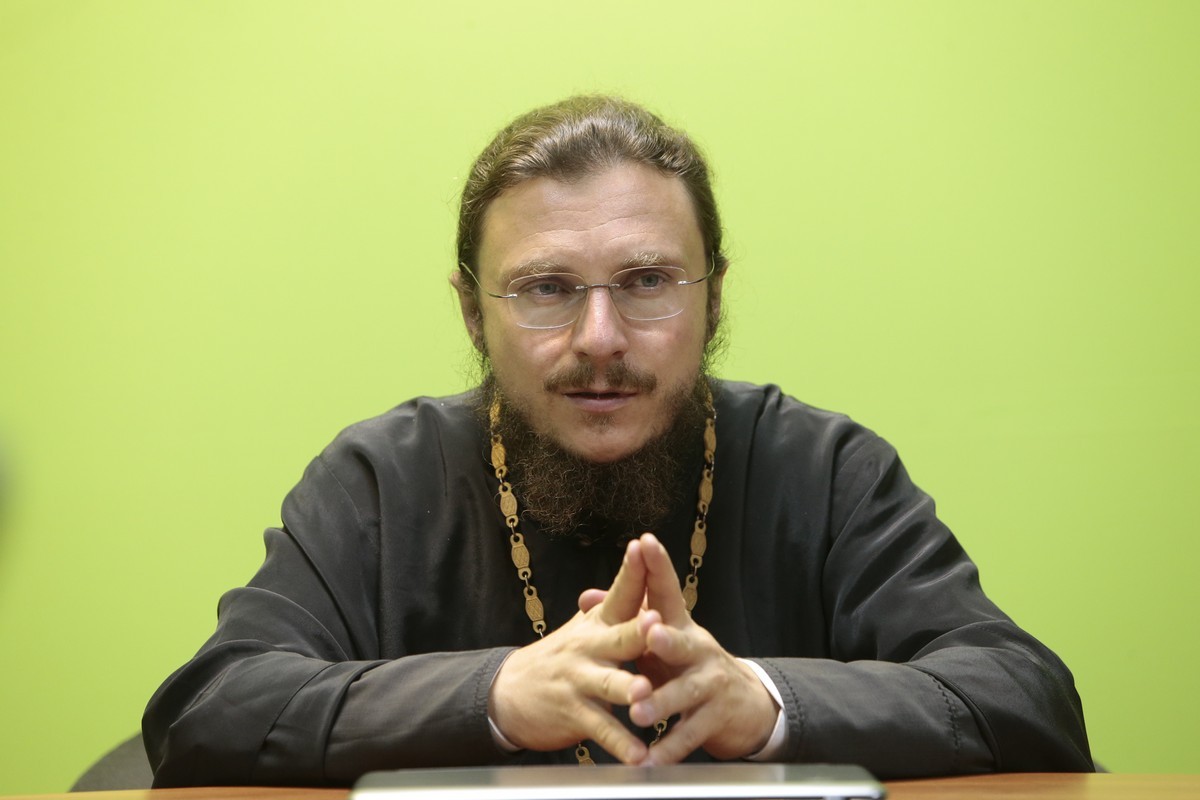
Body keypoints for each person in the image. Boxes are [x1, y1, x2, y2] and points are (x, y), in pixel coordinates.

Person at [142, 95, 1093, 786]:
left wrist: (763, 700)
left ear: (713, 298)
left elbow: (1023, 695)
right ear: (472, 312)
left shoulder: (827, 470)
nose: (599, 338)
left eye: (646, 282)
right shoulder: (379, 481)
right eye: (546, 288)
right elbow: (210, 709)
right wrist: (493, 695)